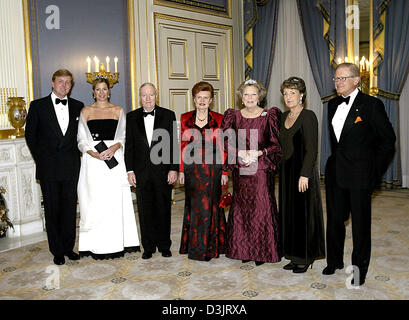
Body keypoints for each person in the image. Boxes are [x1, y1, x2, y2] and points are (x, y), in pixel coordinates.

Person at [323, 62, 396, 286]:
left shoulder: (371, 105)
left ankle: (358, 271)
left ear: (356, 80)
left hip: (360, 175)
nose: (337, 82)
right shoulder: (333, 104)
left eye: (342, 78)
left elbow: (387, 140)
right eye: (336, 78)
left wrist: (374, 173)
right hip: (336, 172)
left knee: (361, 225)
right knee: (334, 220)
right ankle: (333, 261)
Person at [76, 78, 140, 260]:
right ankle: (95, 246)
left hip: (114, 162)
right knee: (95, 202)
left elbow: (125, 136)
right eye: (98, 89)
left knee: (114, 202)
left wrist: (114, 147)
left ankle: (117, 243)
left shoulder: (118, 110)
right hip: (93, 163)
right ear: (93, 92)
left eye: (105, 89)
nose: (102, 92)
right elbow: (81, 139)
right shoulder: (86, 111)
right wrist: (94, 154)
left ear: (109, 91)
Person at [25, 69, 84, 265]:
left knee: (69, 209)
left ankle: (68, 247)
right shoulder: (38, 106)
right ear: (52, 83)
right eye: (60, 81)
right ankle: (57, 250)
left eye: (68, 82)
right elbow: (30, 137)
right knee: (52, 209)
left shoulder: (78, 106)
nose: (64, 85)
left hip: (71, 166)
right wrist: (42, 160)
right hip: (49, 167)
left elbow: (82, 136)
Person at [221, 79, 282, 266]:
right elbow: (226, 141)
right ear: (241, 96)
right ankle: (244, 250)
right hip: (241, 168)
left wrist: (259, 153)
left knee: (261, 208)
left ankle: (263, 252)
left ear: (259, 96)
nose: (249, 97)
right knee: (242, 208)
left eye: (253, 94)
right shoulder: (233, 116)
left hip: (261, 169)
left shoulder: (268, 115)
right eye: (246, 94)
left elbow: (276, 144)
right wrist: (239, 153)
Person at [125, 83, 179, 260]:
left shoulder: (168, 115)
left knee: (163, 209)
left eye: (151, 95)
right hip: (140, 172)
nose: (148, 99)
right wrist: (130, 170)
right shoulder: (131, 117)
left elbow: (173, 145)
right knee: (144, 210)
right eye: (144, 95)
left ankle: (164, 245)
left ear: (157, 96)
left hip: (163, 171)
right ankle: (148, 246)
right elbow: (129, 147)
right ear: (139, 97)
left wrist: (173, 168)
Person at [278, 77, 325, 273]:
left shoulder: (308, 116)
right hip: (286, 173)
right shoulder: (282, 117)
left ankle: (305, 257)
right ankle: (291, 254)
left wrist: (305, 174)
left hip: (302, 173)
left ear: (301, 95)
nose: (288, 97)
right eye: (285, 93)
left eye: (292, 93)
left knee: (303, 215)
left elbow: (312, 149)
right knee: (288, 213)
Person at [178, 81, 228, 261]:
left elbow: (223, 147)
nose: (202, 100)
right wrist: (182, 170)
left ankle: (212, 247)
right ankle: (195, 246)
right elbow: (182, 146)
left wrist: (224, 172)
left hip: (213, 170)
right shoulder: (185, 118)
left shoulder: (220, 118)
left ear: (211, 100)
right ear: (193, 99)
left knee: (211, 206)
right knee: (195, 207)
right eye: (199, 97)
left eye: (206, 97)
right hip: (192, 170)